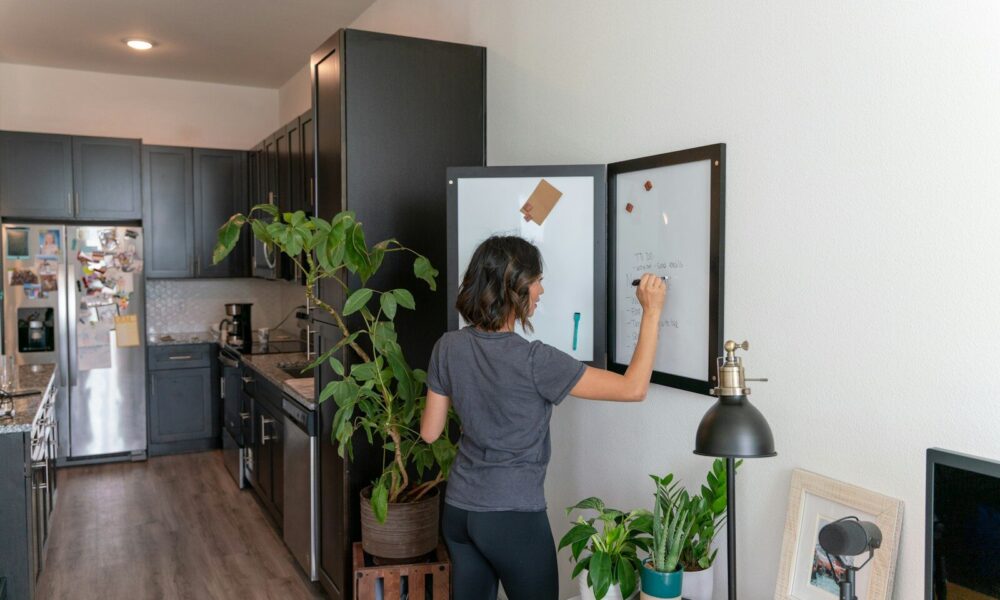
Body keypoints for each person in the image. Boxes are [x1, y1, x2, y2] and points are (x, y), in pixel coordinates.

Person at [420, 235, 667, 600]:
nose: (541, 290)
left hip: (459, 511)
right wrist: (652, 311)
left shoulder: (448, 346)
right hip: (513, 516)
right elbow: (634, 388)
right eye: (537, 280)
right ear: (515, 287)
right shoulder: (536, 360)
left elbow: (429, 432)